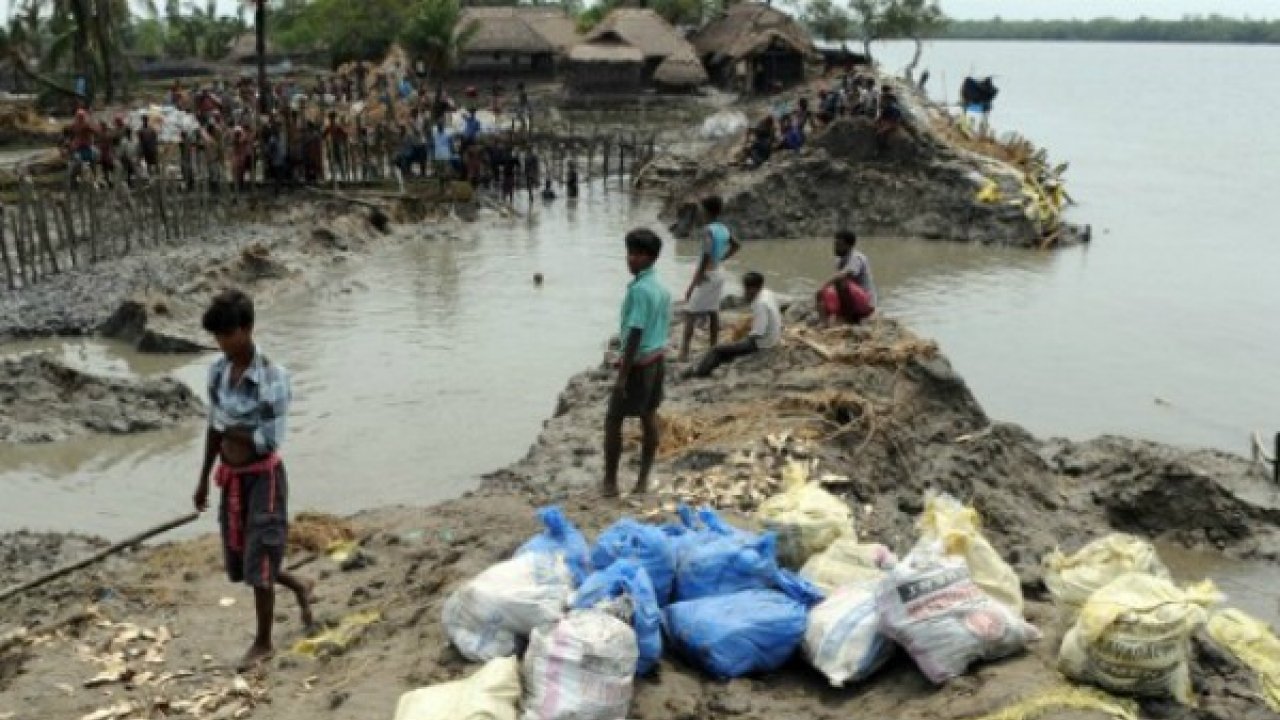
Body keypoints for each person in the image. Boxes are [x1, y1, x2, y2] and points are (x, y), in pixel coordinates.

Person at [193, 290, 316, 672]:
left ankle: (264, 642)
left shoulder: (273, 377)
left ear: (247, 329)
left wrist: (231, 429)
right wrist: (202, 480)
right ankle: (299, 584)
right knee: (242, 559)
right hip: (231, 478)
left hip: (264, 478)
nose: (222, 343)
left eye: (227, 334)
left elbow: (269, 440)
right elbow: (213, 429)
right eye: (217, 336)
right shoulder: (218, 371)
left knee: (260, 553)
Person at [603, 229, 671, 498]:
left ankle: (610, 483)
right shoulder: (660, 288)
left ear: (650, 257)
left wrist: (622, 377)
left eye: (637, 254)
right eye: (630, 253)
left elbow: (635, 332)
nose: (631, 259)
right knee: (648, 416)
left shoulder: (640, 290)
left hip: (639, 365)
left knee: (613, 420)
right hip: (657, 360)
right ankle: (642, 480)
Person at [680, 195, 741, 362]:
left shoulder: (708, 230)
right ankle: (713, 346)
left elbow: (706, 255)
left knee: (690, 312)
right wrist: (721, 258)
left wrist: (693, 284)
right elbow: (736, 245)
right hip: (719, 272)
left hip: (707, 275)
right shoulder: (723, 228)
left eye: (701, 208)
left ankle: (684, 352)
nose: (699, 211)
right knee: (713, 311)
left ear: (705, 211)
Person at [690, 272, 782, 377]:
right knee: (725, 351)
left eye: (746, 289)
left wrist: (741, 340)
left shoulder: (759, 304)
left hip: (763, 343)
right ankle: (705, 368)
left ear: (753, 289)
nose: (744, 292)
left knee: (716, 349)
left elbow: (758, 332)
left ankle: (699, 373)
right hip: (773, 337)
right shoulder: (767, 293)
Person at [817, 229, 877, 326]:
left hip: (866, 302)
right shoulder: (840, 260)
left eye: (839, 245)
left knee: (839, 281)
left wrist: (823, 286)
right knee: (823, 293)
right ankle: (823, 323)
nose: (835, 248)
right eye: (835, 244)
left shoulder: (856, 257)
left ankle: (849, 318)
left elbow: (845, 274)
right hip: (854, 298)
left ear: (849, 246)